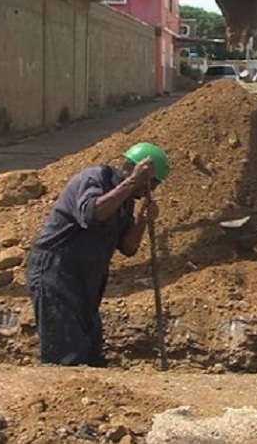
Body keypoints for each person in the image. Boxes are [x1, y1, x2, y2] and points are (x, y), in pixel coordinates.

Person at [25, 142, 170, 366]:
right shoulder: (94, 179)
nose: (151, 190)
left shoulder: (126, 201)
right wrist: (132, 183)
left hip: (86, 277)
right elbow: (91, 213)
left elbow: (128, 248)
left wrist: (142, 220)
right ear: (135, 171)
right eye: (152, 184)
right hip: (56, 269)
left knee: (91, 351)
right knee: (66, 354)